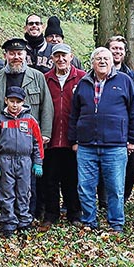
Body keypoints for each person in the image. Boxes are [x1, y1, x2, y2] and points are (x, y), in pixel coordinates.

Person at [69, 47, 134, 233]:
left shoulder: (124, 81)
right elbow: (74, 114)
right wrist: (74, 140)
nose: (102, 62)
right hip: (86, 145)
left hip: (115, 146)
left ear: (112, 62)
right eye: (98, 58)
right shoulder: (84, 82)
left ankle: (116, 223)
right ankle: (89, 221)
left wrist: (133, 139)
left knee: (116, 188)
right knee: (85, 187)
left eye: (106, 59)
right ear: (92, 62)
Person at [0, 37, 54, 223]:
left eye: (20, 53)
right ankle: (8, 218)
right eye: (12, 53)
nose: (16, 57)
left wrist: (45, 133)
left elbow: (47, 107)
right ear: (6, 55)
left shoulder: (37, 77)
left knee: (29, 184)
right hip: (5, 143)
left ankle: (29, 216)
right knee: (7, 186)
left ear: (26, 55)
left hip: (30, 142)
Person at [0, 87, 45, 236]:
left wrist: (38, 162)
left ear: (23, 102)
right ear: (6, 100)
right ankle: (8, 222)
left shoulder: (30, 120)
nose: (14, 105)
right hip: (5, 160)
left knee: (24, 192)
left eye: (18, 102)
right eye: (12, 101)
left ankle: (24, 221)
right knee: (6, 192)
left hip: (25, 161)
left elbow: (37, 142)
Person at [42, 43, 85, 224]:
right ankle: (51, 214)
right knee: (50, 179)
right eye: (57, 56)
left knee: (72, 178)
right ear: (52, 59)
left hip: (72, 138)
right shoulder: (45, 79)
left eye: (64, 56)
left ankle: (74, 213)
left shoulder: (82, 78)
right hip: (50, 138)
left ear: (71, 57)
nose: (61, 59)